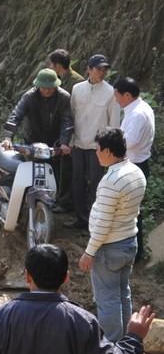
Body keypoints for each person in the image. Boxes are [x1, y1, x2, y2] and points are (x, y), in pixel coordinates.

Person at [0, 244, 155, 354]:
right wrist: (134, 338)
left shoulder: (4, 317)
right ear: (66, 277)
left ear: (27, 276)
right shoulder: (83, 322)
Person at [78, 127, 146, 341]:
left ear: (107, 151)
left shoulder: (111, 181)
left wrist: (89, 252)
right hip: (128, 243)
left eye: (97, 149)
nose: (96, 153)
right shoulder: (136, 172)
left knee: (107, 301)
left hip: (109, 248)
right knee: (122, 295)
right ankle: (128, 343)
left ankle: (111, 352)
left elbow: (103, 224)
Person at [65, 54, 120, 230]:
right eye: (99, 69)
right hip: (79, 143)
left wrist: (110, 148)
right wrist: (71, 140)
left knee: (97, 184)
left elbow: (115, 123)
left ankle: (95, 223)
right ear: (89, 69)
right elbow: (72, 116)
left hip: (99, 147)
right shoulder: (77, 89)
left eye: (105, 69)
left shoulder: (111, 92)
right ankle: (81, 218)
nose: (102, 72)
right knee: (77, 182)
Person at [114, 77, 155, 262]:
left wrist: (113, 140)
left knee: (130, 211)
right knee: (129, 209)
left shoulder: (138, 113)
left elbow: (131, 141)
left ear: (127, 95)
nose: (116, 99)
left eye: (117, 96)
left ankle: (134, 252)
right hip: (136, 163)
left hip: (134, 165)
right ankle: (132, 250)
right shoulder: (140, 108)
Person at [1, 68, 72, 157]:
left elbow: (67, 122)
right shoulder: (29, 97)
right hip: (31, 142)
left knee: (56, 169)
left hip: (54, 144)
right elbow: (16, 116)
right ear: (38, 85)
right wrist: (8, 137)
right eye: (44, 88)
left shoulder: (63, 98)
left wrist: (64, 142)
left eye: (50, 88)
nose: (47, 90)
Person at [48, 48, 85, 213]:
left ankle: (66, 202)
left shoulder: (76, 82)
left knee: (69, 169)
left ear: (56, 65)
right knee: (63, 166)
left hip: (74, 132)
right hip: (63, 130)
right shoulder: (63, 79)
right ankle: (63, 199)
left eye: (51, 63)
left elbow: (78, 111)